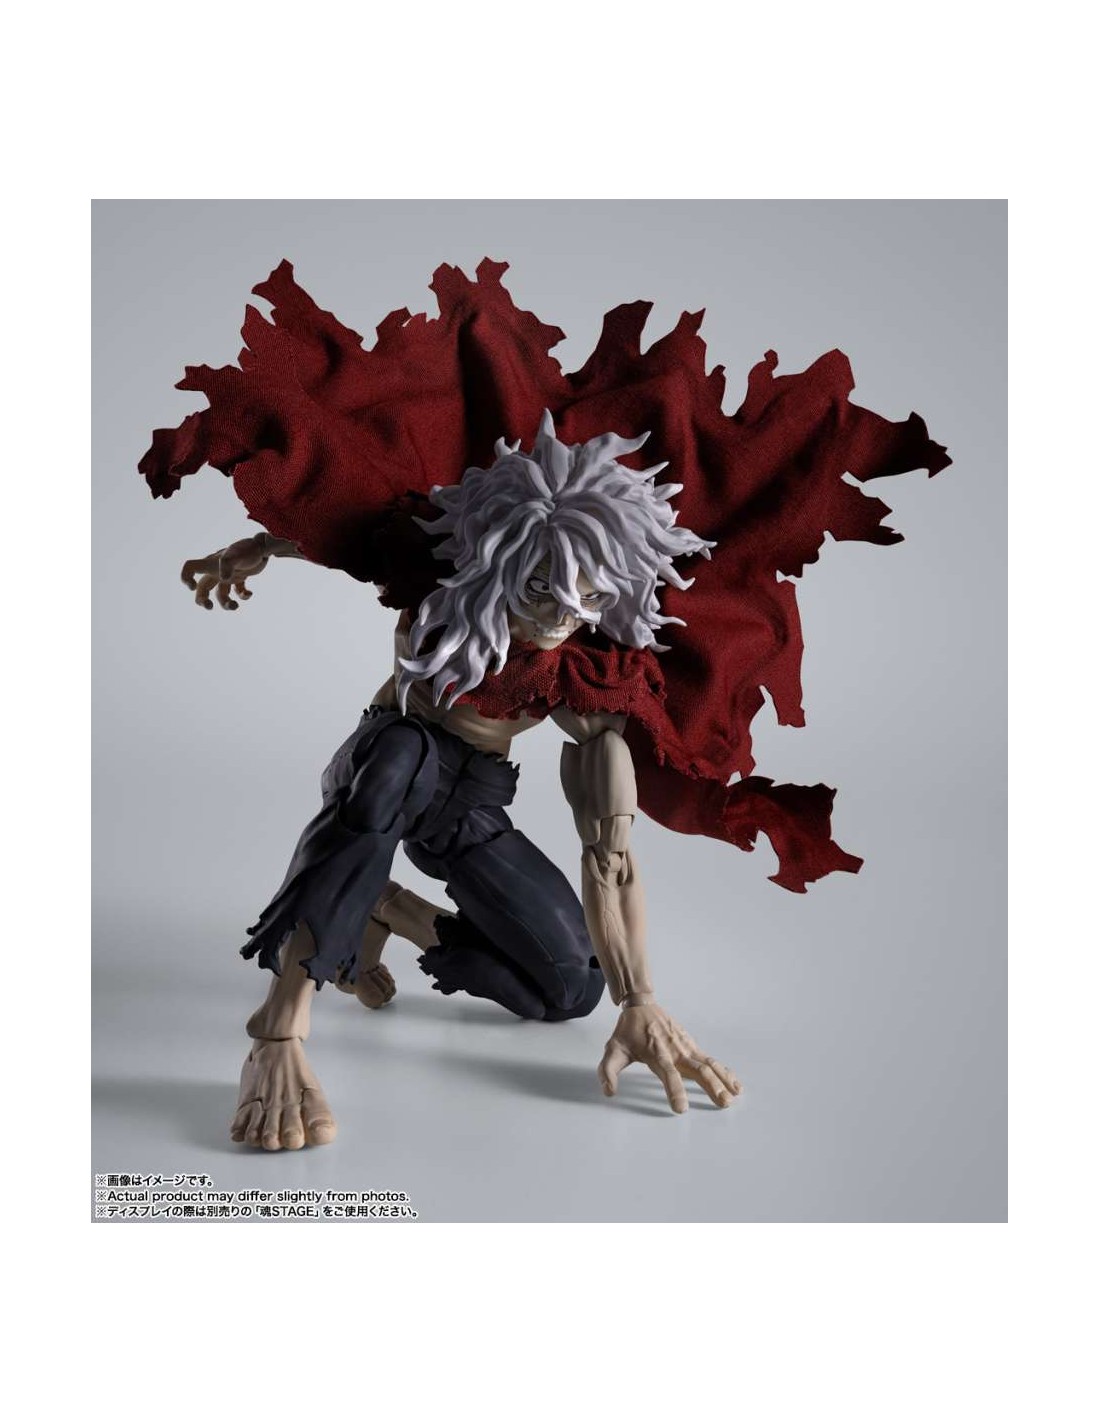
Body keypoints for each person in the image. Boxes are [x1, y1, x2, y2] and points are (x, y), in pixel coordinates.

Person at [142, 258, 949, 1151]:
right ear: (493, 558)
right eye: (538, 589)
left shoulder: (589, 674)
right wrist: (254, 549)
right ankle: (279, 1029)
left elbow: (612, 858)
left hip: (473, 808)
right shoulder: (437, 572)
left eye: (584, 596)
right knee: (396, 762)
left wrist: (641, 1000)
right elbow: (337, 530)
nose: (559, 616)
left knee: (568, 987)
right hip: (393, 761)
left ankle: (387, 910)